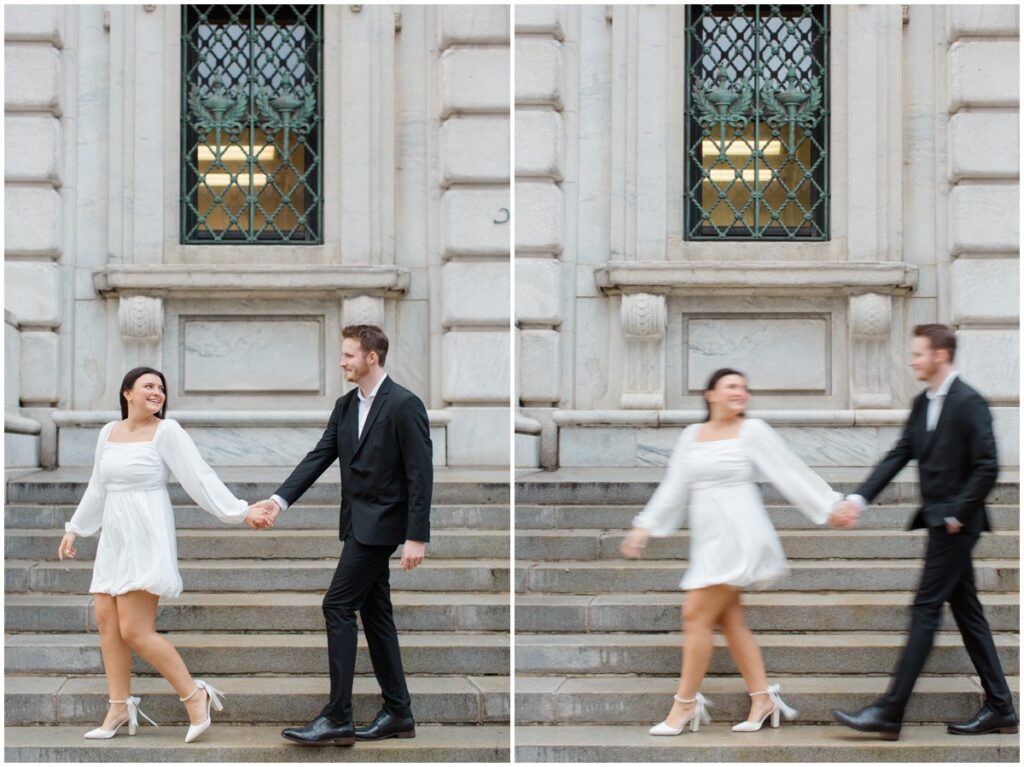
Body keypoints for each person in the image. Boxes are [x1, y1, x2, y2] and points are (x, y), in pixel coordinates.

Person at [621, 368, 851, 735]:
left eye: (744, 387)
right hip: (708, 540)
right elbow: (674, 486)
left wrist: (829, 506)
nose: (739, 392)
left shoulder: (753, 431)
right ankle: (762, 698)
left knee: (695, 614)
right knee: (729, 621)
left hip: (740, 536)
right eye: (731, 386)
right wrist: (645, 525)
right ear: (710, 393)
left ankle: (684, 705)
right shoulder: (691, 436)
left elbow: (789, 471)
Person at [57, 366, 274, 743]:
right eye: (148, 386)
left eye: (161, 387)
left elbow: (199, 476)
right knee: (106, 620)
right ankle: (118, 706)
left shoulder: (167, 431)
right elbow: (98, 484)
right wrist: (75, 527)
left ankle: (195, 694)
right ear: (127, 393)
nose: (157, 392)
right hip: (115, 537)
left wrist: (239, 512)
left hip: (146, 533)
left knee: (135, 629)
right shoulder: (108, 432)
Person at [832, 324, 1018, 740]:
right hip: (939, 522)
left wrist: (957, 512)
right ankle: (1001, 707)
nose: (912, 360)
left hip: (955, 527)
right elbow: (900, 454)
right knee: (968, 614)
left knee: (924, 609)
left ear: (940, 354)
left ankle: (889, 710)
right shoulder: (922, 403)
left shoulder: (969, 402)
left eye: (918, 353)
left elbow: (988, 465)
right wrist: (858, 499)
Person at [250, 324, 432, 747]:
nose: (342, 361)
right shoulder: (346, 405)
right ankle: (398, 712)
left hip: (382, 526)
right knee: (376, 614)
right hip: (356, 522)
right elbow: (320, 455)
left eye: (349, 354)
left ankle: (337, 717)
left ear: (372, 357)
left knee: (336, 605)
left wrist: (416, 536)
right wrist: (279, 501)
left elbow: (420, 474)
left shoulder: (405, 404)